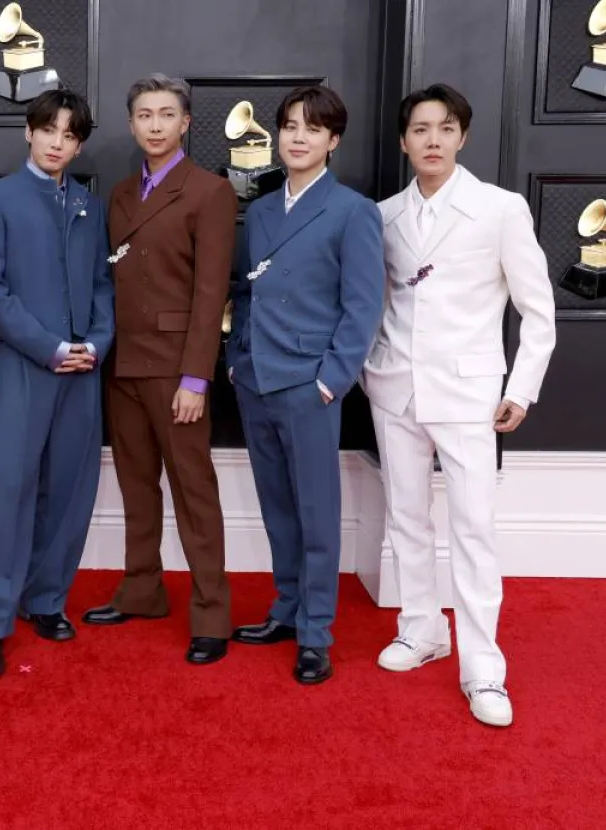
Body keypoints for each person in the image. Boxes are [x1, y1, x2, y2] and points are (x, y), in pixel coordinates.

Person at [362, 84, 555, 727]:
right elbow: (375, 305)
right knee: (406, 519)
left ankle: (484, 668)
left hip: (472, 394)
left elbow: (538, 311)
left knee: (472, 530)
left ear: (463, 137)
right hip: (395, 387)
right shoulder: (384, 216)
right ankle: (421, 629)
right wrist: (370, 370)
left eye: (445, 129)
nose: (433, 141)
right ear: (403, 140)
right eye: (421, 130)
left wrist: (519, 388)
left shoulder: (500, 210)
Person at [226, 85, 384, 685]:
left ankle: (316, 632)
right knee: (277, 509)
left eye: (312, 129)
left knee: (317, 513)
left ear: (332, 140)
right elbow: (244, 292)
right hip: (256, 379)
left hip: (308, 384)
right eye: (289, 126)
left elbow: (362, 308)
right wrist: (237, 361)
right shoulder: (262, 210)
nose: (297, 137)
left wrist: (330, 382)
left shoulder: (352, 211)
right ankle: (286, 611)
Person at [81, 73, 237, 665]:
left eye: (165, 114)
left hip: (177, 369)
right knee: (136, 486)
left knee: (194, 491)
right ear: (132, 123)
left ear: (186, 122)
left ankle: (211, 615)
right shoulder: (120, 194)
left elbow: (210, 291)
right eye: (144, 114)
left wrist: (197, 377)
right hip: (123, 363)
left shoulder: (209, 191)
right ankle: (142, 590)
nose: (154, 125)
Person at [0, 88, 115, 677]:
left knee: (71, 488)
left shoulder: (88, 204)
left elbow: (104, 285)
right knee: (9, 491)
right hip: (26, 365)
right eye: (48, 129)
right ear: (29, 131)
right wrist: (47, 348)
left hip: (83, 368)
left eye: (70, 134)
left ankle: (47, 599)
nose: (58, 142)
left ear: (78, 144)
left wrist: (96, 345)